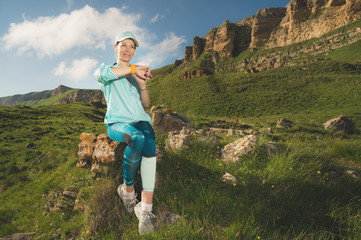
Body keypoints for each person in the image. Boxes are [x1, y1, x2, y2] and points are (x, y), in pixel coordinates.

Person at [94, 31, 156, 235]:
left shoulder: (135, 74)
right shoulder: (106, 70)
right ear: (116, 47)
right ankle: (127, 191)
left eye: (132, 46)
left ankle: (146, 210)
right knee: (136, 138)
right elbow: (102, 76)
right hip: (118, 123)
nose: (128, 49)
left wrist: (142, 84)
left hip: (140, 119)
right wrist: (132, 69)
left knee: (150, 146)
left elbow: (146, 104)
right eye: (124, 45)